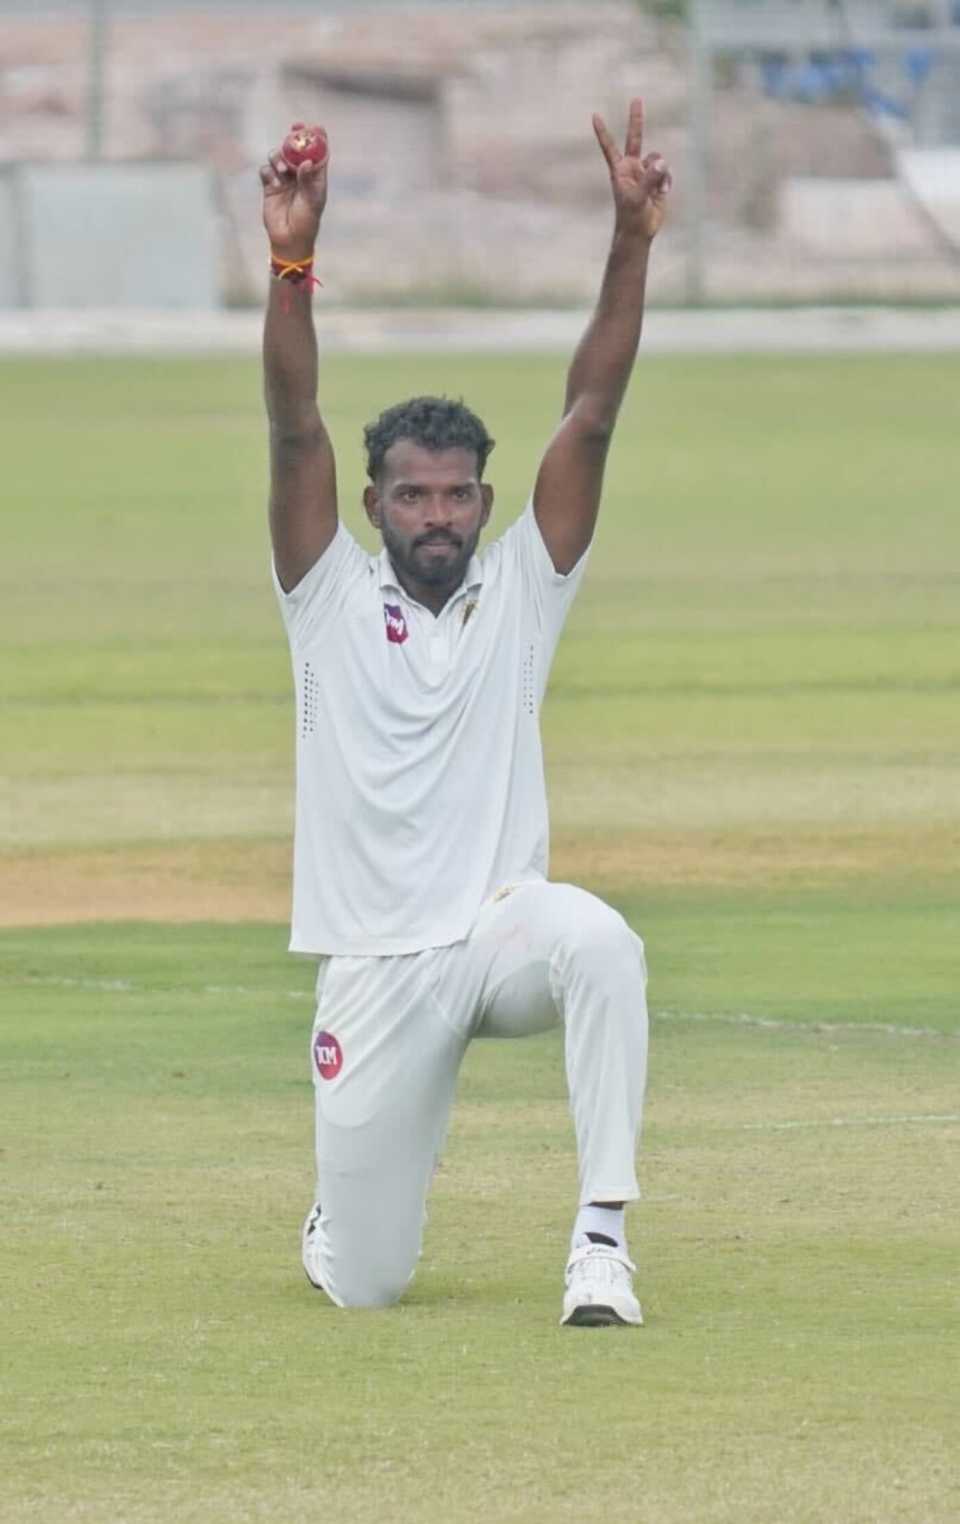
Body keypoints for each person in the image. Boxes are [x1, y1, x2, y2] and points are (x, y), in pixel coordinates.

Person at [259, 99, 671, 1326]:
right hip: (377, 966)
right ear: (375, 507)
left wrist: (632, 240)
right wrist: (293, 261)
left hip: (498, 933)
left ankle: (601, 1240)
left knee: (602, 941)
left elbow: (590, 413)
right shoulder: (325, 595)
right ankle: (345, 1208)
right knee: (369, 1290)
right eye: (410, 497)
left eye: (455, 496)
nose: (436, 516)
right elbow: (292, 426)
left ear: (483, 499)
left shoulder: (524, 587)